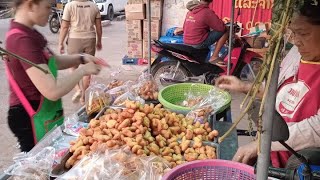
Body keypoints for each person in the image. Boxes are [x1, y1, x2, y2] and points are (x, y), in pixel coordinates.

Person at [215, 0, 320, 168]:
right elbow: (275, 92)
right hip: (270, 152)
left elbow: (316, 129)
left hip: (297, 165)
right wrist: (243, 86)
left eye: (304, 33)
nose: (297, 41)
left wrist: (262, 144)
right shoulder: (295, 54)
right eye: (294, 33)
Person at [5, 0, 105, 152]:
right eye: (47, 6)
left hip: (43, 111)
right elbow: (52, 91)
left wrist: (82, 58)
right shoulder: (21, 40)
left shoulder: (31, 33)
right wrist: (82, 71)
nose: (51, 11)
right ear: (31, 5)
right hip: (30, 116)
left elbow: (54, 61)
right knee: (40, 167)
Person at [58, 0, 102, 105]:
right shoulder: (94, 6)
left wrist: (60, 43)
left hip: (74, 39)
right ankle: (83, 97)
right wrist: (99, 40)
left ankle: (78, 89)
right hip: (90, 39)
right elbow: (99, 26)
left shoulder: (69, 6)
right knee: (88, 69)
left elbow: (64, 27)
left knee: (73, 68)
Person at [174, 0, 228, 67]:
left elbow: (184, 28)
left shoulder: (190, 11)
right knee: (226, 30)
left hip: (186, 42)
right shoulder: (207, 12)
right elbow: (221, 28)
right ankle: (214, 56)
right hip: (198, 43)